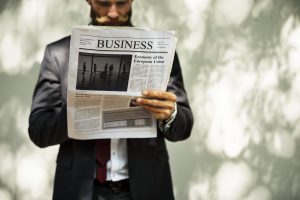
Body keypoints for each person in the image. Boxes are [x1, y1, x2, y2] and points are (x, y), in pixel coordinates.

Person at [28, 0, 193, 200]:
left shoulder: (161, 52)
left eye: (122, 3)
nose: (113, 13)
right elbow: (39, 131)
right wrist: (77, 109)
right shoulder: (58, 54)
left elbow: (184, 127)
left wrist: (170, 114)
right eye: (104, 3)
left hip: (145, 188)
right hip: (81, 190)